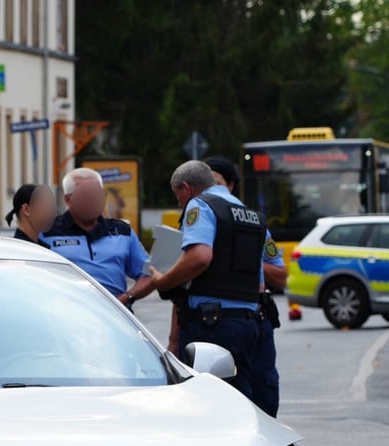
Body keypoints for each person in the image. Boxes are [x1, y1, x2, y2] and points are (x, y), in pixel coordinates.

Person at [149, 160, 264, 402]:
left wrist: (163, 281)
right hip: (248, 322)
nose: (179, 203)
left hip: (211, 324)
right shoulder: (250, 215)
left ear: (186, 188)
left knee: (204, 399)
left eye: (177, 195)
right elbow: (260, 283)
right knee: (240, 397)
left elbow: (200, 257)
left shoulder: (200, 206)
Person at [205, 155, 285, 416]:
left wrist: (245, 259)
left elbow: (280, 274)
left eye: (216, 183)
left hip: (256, 317)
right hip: (216, 316)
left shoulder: (252, 223)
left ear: (230, 186)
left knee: (264, 391)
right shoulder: (200, 218)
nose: (211, 191)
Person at [41, 167, 154, 309]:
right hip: (66, 316)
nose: (93, 200)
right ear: (68, 200)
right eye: (86, 196)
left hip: (115, 317)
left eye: (97, 195)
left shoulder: (122, 231)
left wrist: (126, 298)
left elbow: (149, 275)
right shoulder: (47, 232)